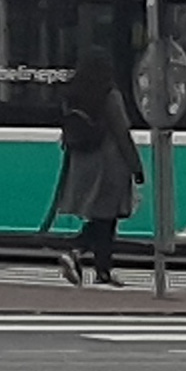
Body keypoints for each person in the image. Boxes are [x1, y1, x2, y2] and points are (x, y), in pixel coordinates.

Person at [50, 51, 141, 288]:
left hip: (83, 160)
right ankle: (77, 251)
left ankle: (102, 270)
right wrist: (136, 166)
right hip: (110, 162)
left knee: (101, 215)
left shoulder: (72, 95)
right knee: (106, 219)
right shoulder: (109, 94)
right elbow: (121, 132)